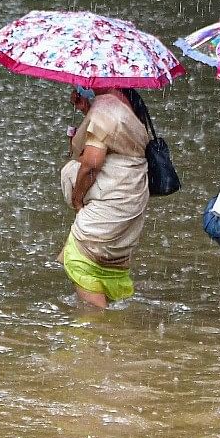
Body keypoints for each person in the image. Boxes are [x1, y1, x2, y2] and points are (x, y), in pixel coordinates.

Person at [59, 84, 151, 308]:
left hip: (111, 200)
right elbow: (117, 140)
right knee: (110, 264)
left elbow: (91, 163)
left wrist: (77, 198)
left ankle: (98, 329)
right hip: (131, 196)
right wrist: (86, 109)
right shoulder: (127, 101)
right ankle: (117, 333)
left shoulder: (105, 109)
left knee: (79, 258)